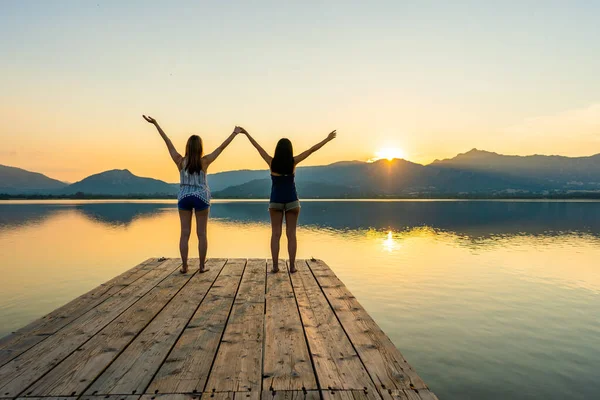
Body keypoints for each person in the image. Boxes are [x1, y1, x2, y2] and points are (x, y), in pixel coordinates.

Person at [143, 115, 241, 273]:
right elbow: (221, 148)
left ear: (187, 147)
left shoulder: (180, 161)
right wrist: (234, 133)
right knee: (201, 234)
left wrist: (156, 124)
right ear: (200, 147)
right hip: (201, 197)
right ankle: (202, 267)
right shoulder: (205, 161)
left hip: (184, 198)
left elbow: (168, 142)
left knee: (184, 233)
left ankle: (184, 266)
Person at [240, 127, 336, 273]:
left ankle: (275, 266)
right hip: (292, 201)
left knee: (275, 234)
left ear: (277, 150)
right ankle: (292, 267)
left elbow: (257, 147)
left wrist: (246, 133)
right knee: (291, 234)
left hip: (276, 201)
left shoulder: (271, 162)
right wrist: (327, 139)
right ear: (290, 150)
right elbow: (311, 150)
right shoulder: (293, 162)